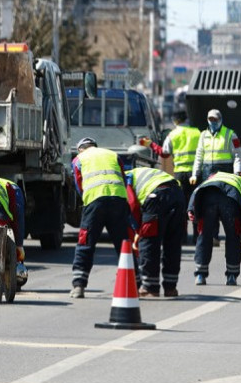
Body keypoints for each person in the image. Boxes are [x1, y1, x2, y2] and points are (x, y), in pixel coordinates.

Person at [69, 137, 130, 299]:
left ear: (81, 149)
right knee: (124, 244)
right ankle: (134, 283)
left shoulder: (78, 159)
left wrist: (88, 200)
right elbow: (124, 179)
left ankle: (79, 285)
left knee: (85, 243)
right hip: (119, 199)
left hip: (95, 202)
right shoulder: (112, 154)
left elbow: (79, 184)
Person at [188, 160, 241, 286]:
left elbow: (198, 190)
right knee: (234, 236)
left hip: (208, 196)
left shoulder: (212, 177)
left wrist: (191, 208)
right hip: (231, 198)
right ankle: (231, 276)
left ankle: (200, 275)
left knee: (204, 235)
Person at [139, 110, 200, 243]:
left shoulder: (173, 134)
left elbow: (164, 153)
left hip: (180, 174)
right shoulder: (197, 132)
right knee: (197, 204)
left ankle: (183, 236)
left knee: (181, 205)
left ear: (175, 121)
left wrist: (150, 144)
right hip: (196, 173)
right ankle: (197, 236)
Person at [126, 167, 186, 297]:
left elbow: (132, 205)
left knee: (149, 241)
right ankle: (171, 287)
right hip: (178, 194)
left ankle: (150, 286)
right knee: (173, 243)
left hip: (157, 197)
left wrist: (138, 231)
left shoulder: (125, 179)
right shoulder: (140, 172)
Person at [190, 109, 241, 184]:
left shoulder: (231, 134)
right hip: (207, 172)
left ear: (220, 119)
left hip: (225, 172)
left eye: (215, 119)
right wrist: (195, 174)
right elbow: (199, 156)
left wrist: (237, 172)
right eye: (210, 119)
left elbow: (238, 154)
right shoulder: (203, 135)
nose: (212, 122)